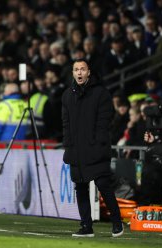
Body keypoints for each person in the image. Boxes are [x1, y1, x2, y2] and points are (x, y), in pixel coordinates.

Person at [61, 59, 123, 238]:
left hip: (96, 149)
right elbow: (65, 124)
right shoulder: (67, 96)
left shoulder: (101, 93)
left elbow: (105, 121)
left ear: (89, 72)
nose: (79, 73)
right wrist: (68, 145)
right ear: (73, 73)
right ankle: (86, 226)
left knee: (104, 185)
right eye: (76, 70)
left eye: (82, 69)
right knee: (80, 188)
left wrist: (98, 143)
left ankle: (117, 223)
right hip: (76, 151)